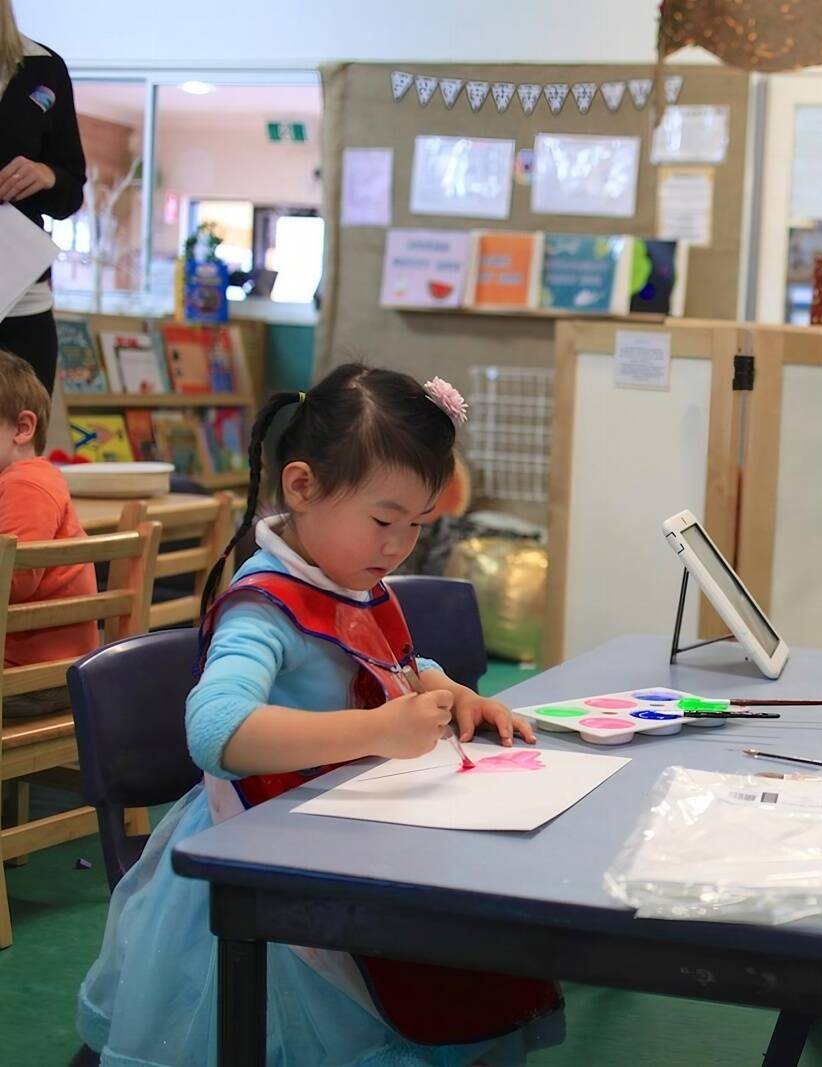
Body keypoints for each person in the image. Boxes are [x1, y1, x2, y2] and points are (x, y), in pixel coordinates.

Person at [78, 366, 565, 1065]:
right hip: (268, 860)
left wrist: (444, 684)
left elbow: (385, 654)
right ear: (301, 487)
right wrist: (376, 730)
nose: (398, 546)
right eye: (383, 521)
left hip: (349, 829)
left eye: (417, 526)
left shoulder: (347, 572)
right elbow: (216, 732)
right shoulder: (264, 604)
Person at [0, 0, 86, 392]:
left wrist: (47, 175)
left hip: (23, 296)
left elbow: (72, 190)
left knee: (23, 441)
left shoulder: (44, 67)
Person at [0, 349, 96, 673]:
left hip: (32, 675)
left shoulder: (24, 485)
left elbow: (12, 581)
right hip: (47, 666)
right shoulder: (29, 478)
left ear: (22, 428)